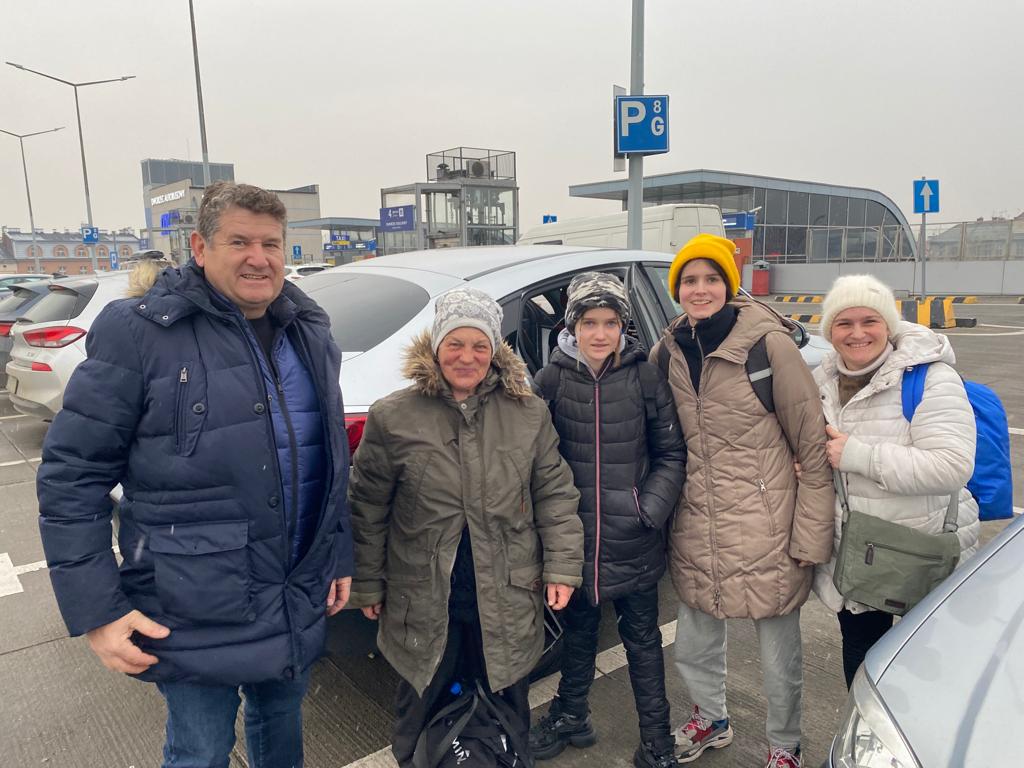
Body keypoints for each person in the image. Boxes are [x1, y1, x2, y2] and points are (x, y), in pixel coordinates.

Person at [37, 181, 353, 768]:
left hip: (293, 587)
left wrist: (337, 556)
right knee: (200, 750)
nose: (259, 258)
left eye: (271, 243)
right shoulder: (140, 332)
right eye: (240, 241)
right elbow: (71, 477)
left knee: (282, 731)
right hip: (190, 601)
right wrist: (98, 611)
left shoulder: (309, 331)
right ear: (201, 247)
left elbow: (326, 458)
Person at [348, 286, 584, 768]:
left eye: (480, 345)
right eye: (455, 343)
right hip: (424, 596)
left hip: (506, 594)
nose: (467, 357)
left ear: (495, 351)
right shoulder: (394, 416)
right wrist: (368, 583)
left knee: (504, 703)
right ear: (435, 347)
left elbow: (554, 494)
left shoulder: (527, 413)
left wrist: (562, 567)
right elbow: (366, 509)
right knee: (423, 706)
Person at [651, 234, 834, 768]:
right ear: (677, 289)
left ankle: (784, 745)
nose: (700, 289)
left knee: (779, 653)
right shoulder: (668, 351)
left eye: (711, 279)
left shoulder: (767, 346)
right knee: (694, 641)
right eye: (689, 280)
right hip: (696, 522)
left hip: (767, 523)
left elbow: (812, 446)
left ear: (729, 285)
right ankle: (711, 718)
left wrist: (810, 534)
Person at [530, 272, 687, 768]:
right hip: (574, 541)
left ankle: (657, 742)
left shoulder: (644, 377)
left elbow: (671, 453)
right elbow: (531, 455)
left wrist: (649, 510)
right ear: (572, 326)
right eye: (589, 322)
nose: (600, 333)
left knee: (642, 643)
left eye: (611, 322)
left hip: (632, 539)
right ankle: (571, 713)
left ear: (624, 325)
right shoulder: (551, 379)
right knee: (578, 631)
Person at [811, 274, 980, 688]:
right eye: (843, 323)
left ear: (888, 325)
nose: (857, 334)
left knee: (928, 665)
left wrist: (859, 456)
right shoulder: (823, 381)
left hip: (919, 549)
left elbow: (952, 465)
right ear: (829, 331)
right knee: (863, 658)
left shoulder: (929, 378)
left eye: (869, 321)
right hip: (861, 553)